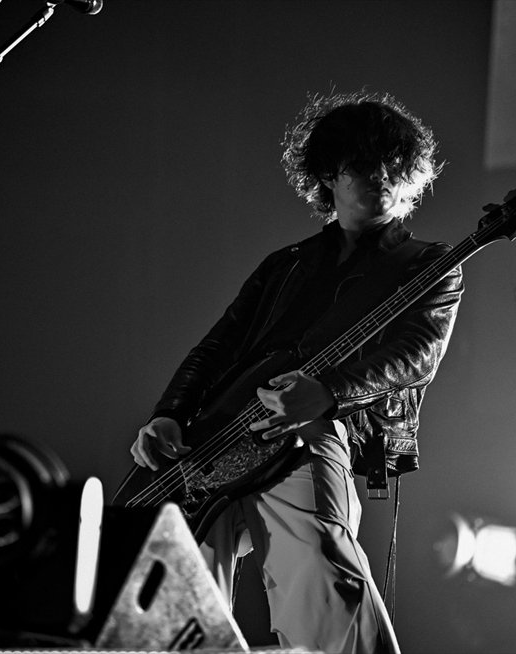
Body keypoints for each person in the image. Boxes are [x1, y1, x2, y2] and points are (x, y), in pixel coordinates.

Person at [129, 90, 463, 654]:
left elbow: (417, 355)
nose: (382, 176)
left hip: (312, 432)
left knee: (323, 580)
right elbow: (217, 347)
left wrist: (328, 392)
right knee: (168, 599)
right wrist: (169, 414)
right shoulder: (285, 265)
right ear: (329, 174)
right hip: (214, 438)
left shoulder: (429, 264)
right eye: (364, 164)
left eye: (394, 164)